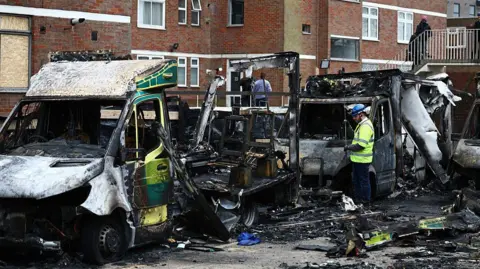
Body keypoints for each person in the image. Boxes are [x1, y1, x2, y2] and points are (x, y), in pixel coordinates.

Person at [344, 104, 375, 204]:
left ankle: (365, 202)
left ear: (361, 114)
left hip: (362, 161)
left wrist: (348, 147)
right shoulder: (362, 124)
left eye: (355, 116)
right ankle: (359, 201)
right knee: (358, 182)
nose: (353, 118)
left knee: (363, 182)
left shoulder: (365, 126)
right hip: (358, 160)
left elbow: (361, 145)